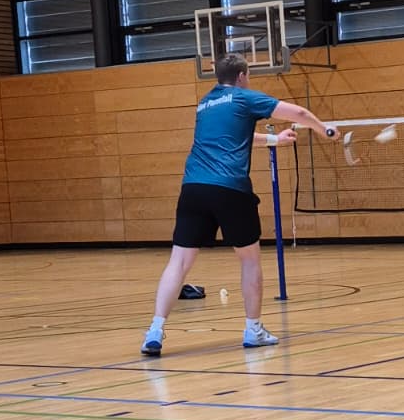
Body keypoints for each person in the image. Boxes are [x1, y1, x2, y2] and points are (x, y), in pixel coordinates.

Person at [140, 52, 337, 356]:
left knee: (178, 262)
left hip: (193, 188)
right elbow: (298, 112)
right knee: (249, 260)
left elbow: (235, 135)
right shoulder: (244, 98)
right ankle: (253, 330)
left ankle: (154, 330)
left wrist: (275, 141)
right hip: (230, 189)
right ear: (242, 76)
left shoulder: (205, 104)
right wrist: (324, 129)